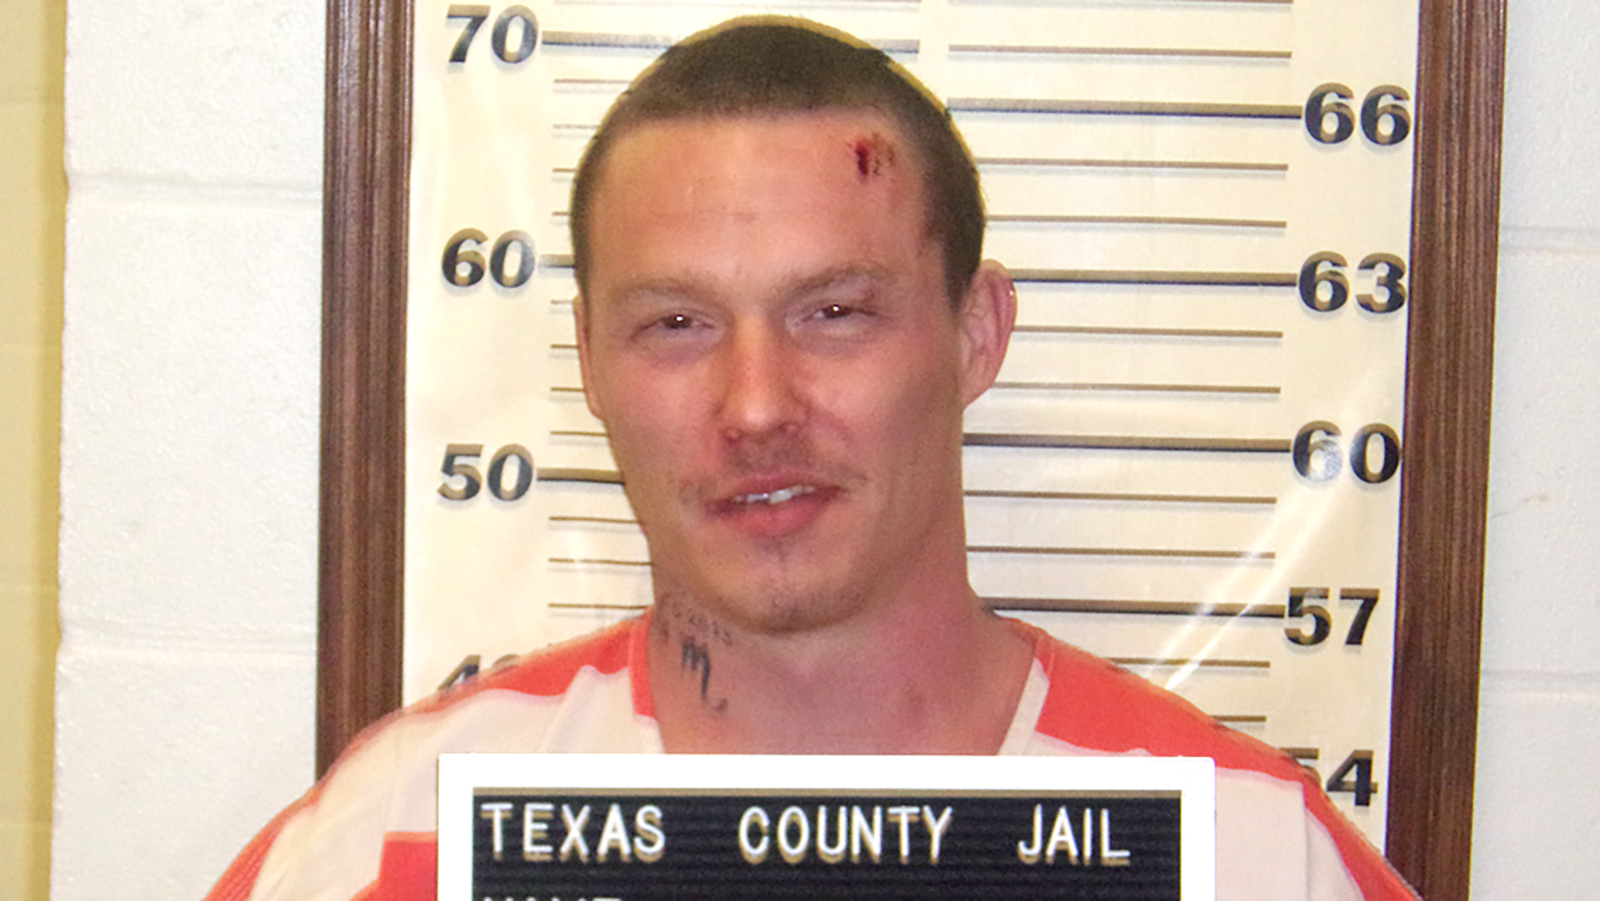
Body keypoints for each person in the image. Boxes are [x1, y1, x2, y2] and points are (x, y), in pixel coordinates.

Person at [207, 17, 1420, 900]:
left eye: (835, 312)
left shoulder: (1250, 853)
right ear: (589, 360)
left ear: (975, 333)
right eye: (675, 323)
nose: (755, 406)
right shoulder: (391, 839)